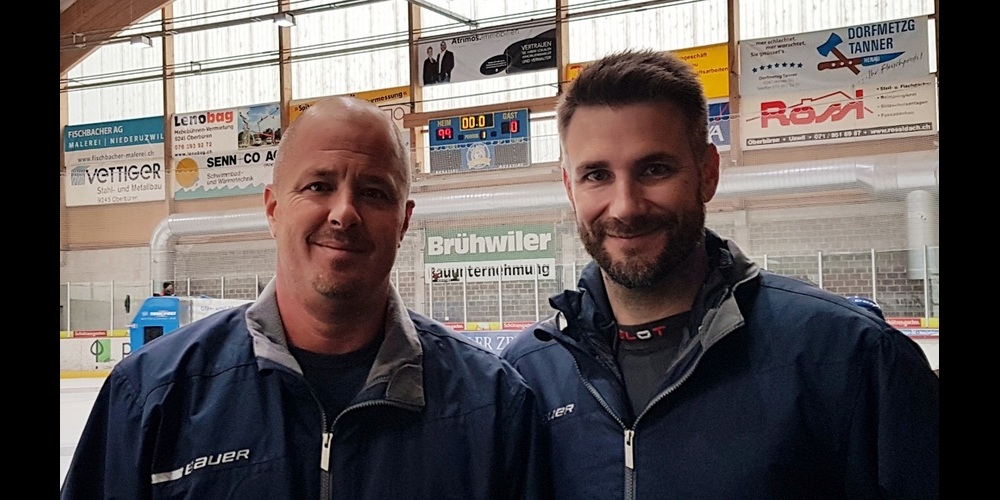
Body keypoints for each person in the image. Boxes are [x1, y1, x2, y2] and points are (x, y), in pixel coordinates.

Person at [501, 49, 939, 499]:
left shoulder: (850, 354)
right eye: (596, 175)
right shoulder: (527, 374)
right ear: (569, 188)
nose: (626, 207)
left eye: (655, 169)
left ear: (707, 173)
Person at [61, 96, 550, 499]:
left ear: (403, 221)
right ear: (273, 210)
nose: (344, 213)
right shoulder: (151, 395)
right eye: (319, 186)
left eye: (374, 193)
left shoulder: (493, 404)